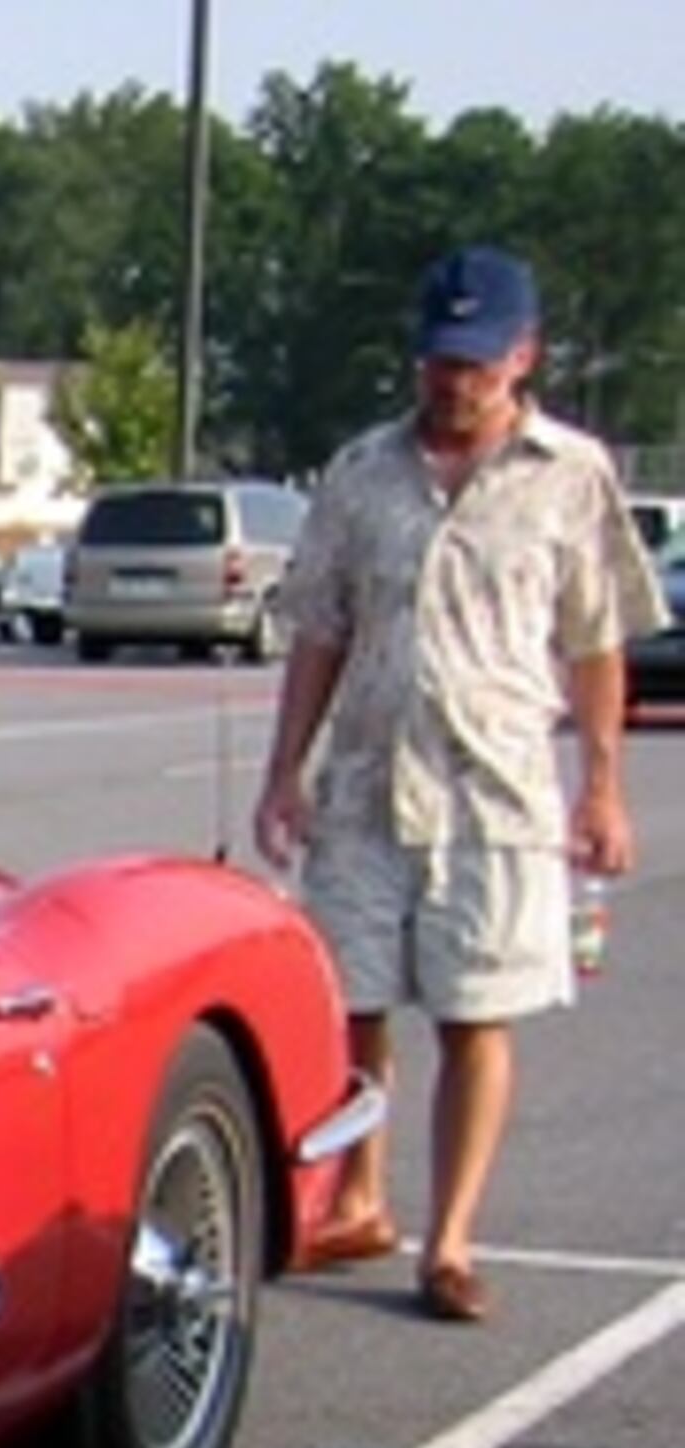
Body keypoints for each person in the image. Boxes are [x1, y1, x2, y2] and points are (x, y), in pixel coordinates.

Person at [251, 244, 666, 1323]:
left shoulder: (570, 474)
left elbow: (596, 643)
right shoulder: (362, 472)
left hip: (495, 792)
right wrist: (285, 772)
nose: (454, 382)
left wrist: (603, 787)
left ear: (524, 356)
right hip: (366, 786)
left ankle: (451, 1241)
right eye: (439, 360)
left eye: (476, 363)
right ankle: (359, 1196)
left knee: (476, 1014)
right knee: (352, 1003)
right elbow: (321, 630)